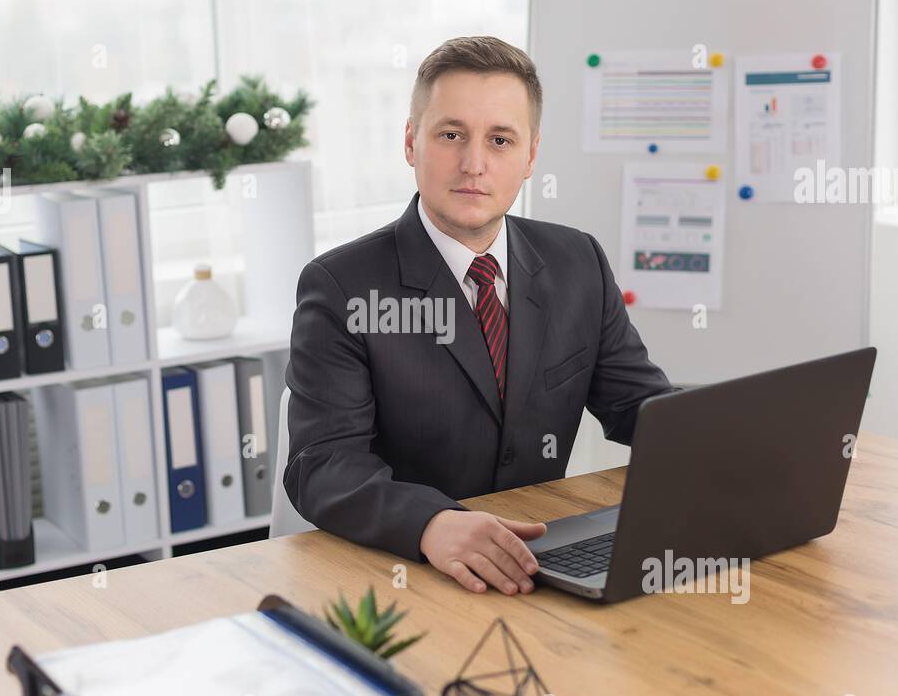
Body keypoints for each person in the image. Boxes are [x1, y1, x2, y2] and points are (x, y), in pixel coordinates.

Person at [284, 35, 675, 596]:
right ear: (411, 143)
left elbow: (638, 404)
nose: (474, 164)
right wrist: (430, 524)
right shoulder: (343, 286)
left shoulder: (576, 260)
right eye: (450, 135)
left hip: (538, 562)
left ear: (530, 156)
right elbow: (322, 465)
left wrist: (730, 442)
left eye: (499, 139)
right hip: (405, 573)